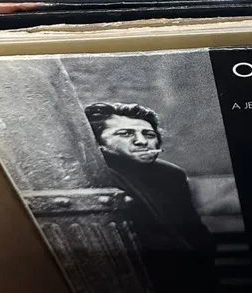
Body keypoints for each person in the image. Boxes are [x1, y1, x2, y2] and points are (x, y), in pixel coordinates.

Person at [84, 102, 217, 293]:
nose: (141, 141)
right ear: (98, 143)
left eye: (149, 134)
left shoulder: (171, 174)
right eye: (125, 134)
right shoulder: (96, 175)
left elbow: (196, 233)